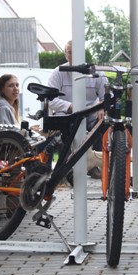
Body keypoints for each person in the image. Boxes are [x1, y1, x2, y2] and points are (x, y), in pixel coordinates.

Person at [47, 41, 109, 179]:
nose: (73, 55)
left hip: (91, 113)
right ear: (65, 54)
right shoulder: (58, 73)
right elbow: (51, 99)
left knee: (102, 123)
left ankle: (94, 164)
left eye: (76, 52)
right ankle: (64, 169)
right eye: (70, 52)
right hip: (68, 114)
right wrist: (69, 106)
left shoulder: (96, 72)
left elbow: (106, 94)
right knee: (62, 126)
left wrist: (101, 106)